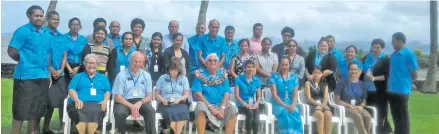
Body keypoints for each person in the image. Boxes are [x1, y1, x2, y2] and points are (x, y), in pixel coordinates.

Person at [7, 5, 51, 134]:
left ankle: (32, 131)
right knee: (21, 109)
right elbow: (11, 51)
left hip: (42, 76)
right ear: (29, 16)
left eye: (41, 16)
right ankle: (15, 132)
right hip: (25, 77)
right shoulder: (22, 31)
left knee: (36, 109)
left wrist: (48, 72)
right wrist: (25, 61)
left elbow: (47, 53)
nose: (39, 18)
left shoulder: (46, 32)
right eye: (36, 15)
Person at [192, 53, 238, 134]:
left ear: (218, 63)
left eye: (215, 60)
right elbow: (198, 94)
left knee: (233, 109)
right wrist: (210, 107)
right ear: (206, 63)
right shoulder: (199, 75)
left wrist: (222, 108)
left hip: (221, 104)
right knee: (200, 107)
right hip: (206, 104)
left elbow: (227, 93)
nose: (212, 62)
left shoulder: (223, 75)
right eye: (210, 60)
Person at [112, 51, 156, 134]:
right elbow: (118, 97)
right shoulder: (121, 75)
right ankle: (122, 132)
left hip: (141, 101)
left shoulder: (146, 75)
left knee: (150, 111)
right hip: (124, 101)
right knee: (119, 113)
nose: (138, 64)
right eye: (136, 61)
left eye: (140, 62)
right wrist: (132, 106)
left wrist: (139, 103)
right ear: (130, 60)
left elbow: (149, 96)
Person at [66, 53, 111, 134]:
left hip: (97, 104)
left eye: (94, 63)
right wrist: (76, 100)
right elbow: (71, 89)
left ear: (97, 65)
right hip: (79, 102)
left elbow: (108, 91)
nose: (91, 65)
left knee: (95, 111)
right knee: (79, 110)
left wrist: (105, 100)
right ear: (85, 64)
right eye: (89, 63)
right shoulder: (78, 76)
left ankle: (90, 132)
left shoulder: (103, 77)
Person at [43, 11, 68, 134]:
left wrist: (61, 69)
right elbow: (42, 54)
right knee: (49, 103)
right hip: (47, 74)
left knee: (62, 102)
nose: (56, 21)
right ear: (48, 19)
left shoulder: (61, 36)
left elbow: (64, 55)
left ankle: (62, 127)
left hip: (60, 74)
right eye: (53, 19)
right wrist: (50, 69)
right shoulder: (42, 34)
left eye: (58, 19)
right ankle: (45, 127)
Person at [387, 32, 418, 134]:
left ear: (400, 41)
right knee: (395, 116)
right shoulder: (393, 55)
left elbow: (414, 74)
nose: (392, 44)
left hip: (402, 90)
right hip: (391, 90)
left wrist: (406, 84)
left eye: (393, 42)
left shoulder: (409, 54)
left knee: (403, 117)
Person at [362, 38, 392, 134]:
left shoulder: (386, 60)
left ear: (382, 48)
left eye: (378, 47)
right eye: (373, 47)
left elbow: (388, 76)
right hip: (365, 91)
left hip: (379, 92)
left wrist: (374, 78)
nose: (375, 49)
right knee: (366, 114)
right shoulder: (366, 57)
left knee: (378, 116)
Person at [155, 57, 191, 134]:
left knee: (183, 111)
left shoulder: (184, 79)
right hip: (166, 103)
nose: (173, 72)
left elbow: (186, 94)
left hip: (180, 103)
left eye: (175, 70)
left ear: (179, 70)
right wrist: (162, 100)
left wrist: (179, 99)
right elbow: (157, 93)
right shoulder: (162, 78)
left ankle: (176, 132)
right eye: (171, 69)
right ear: (168, 69)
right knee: (169, 112)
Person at [268, 57, 303, 134]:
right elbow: (274, 95)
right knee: (285, 114)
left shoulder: (294, 77)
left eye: (286, 65)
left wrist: (293, 104)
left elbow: (295, 94)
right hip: (277, 103)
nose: (284, 67)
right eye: (283, 65)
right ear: (280, 65)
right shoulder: (274, 77)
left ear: (289, 65)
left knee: (296, 113)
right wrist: (285, 106)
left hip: (290, 102)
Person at [335, 62, 372, 134]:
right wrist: (349, 106)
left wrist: (361, 106)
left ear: (358, 70)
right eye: (351, 69)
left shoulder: (361, 84)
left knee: (368, 117)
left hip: (358, 107)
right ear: (348, 70)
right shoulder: (341, 82)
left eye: (355, 69)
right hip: (345, 108)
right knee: (358, 116)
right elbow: (337, 100)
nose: (354, 71)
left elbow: (364, 99)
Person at [234, 60, 262, 134]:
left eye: (252, 67)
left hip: (252, 104)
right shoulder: (238, 79)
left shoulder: (257, 80)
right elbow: (236, 96)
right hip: (241, 105)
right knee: (250, 112)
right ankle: (248, 132)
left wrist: (256, 103)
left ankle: (255, 132)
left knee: (256, 112)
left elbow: (259, 96)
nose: (250, 69)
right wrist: (245, 105)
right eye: (248, 67)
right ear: (244, 68)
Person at [304, 67, 333, 134]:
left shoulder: (325, 84)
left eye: (319, 73)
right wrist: (319, 105)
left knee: (328, 114)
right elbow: (308, 98)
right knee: (320, 115)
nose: (316, 74)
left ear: (321, 74)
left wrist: (322, 105)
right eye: (315, 72)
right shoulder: (308, 83)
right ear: (312, 73)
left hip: (323, 105)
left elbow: (326, 98)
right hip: (312, 105)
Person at [65, 17, 88, 84]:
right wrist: (70, 70)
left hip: (79, 68)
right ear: (69, 26)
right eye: (73, 24)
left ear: (80, 26)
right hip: (66, 66)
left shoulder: (83, 39)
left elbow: (85, 55)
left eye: (77, 25)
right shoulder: (63, 38)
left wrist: (78, 67)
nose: (75, 26)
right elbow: (62, 55)